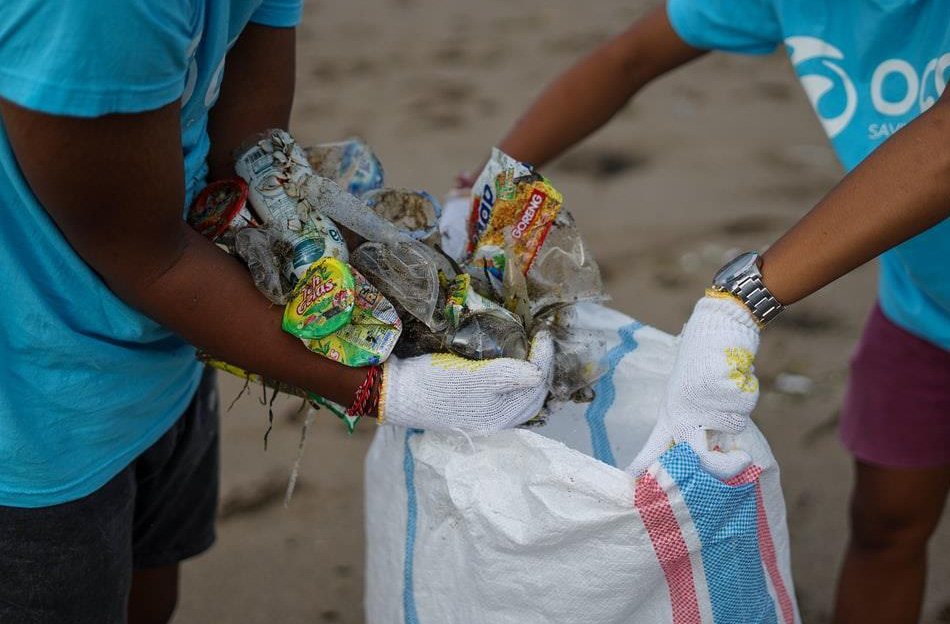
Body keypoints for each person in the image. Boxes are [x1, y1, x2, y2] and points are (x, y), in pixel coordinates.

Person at [0, 2, 553, 622]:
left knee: (152, 591)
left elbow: (248, 157)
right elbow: (147, 258)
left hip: (175, 345)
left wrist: (402, 271)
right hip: (35, 406)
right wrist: (383, 387)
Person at [490, 2, 950, 622]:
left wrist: (738, 302)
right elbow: (629, 57)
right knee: (883, 523)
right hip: (924, 310)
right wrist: (492, 185)